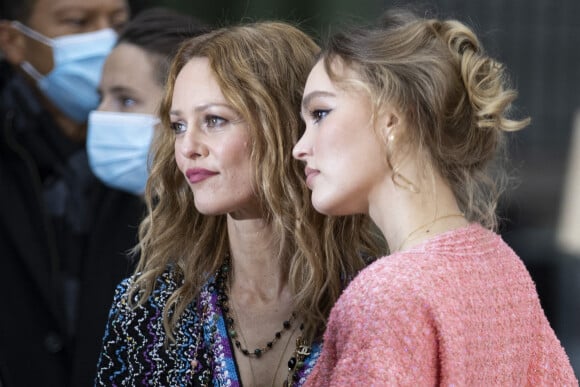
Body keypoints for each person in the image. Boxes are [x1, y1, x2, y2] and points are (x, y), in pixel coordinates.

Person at [293, 8, 579, 385]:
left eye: (320, 113)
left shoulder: (386, 297)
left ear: (391, 120)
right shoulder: (503, 267)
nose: (299, 147)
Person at [95, 21, 379, 386]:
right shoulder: (147, 309)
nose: (187, 147)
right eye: (178, 125)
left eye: (214, 120)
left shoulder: (373, 302)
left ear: (286, 127)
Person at [0, 1, 146, 386]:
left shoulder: (143, 145)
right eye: (78, 22)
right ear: (12, 41)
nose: (106, 39)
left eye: (117, 22)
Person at [86, 7, 210, 195]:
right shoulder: (91, 202)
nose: (100, 114)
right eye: (101, 97)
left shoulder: (230, 218)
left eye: (126, 101)